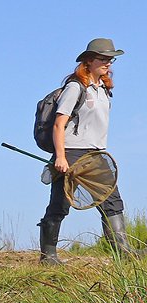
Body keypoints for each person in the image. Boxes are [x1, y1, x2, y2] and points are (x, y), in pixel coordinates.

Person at [38, 38, 134, 263]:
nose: (108, 63)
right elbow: (58, 124)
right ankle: (48, 255)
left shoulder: (103, 90)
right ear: (89, 61)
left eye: (111, 59)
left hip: (97, 154)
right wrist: (60, 156)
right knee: (60, 204)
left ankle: (122, 250)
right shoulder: (75, 87)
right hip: (72, 153)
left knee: (112, 201)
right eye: (103, 58)